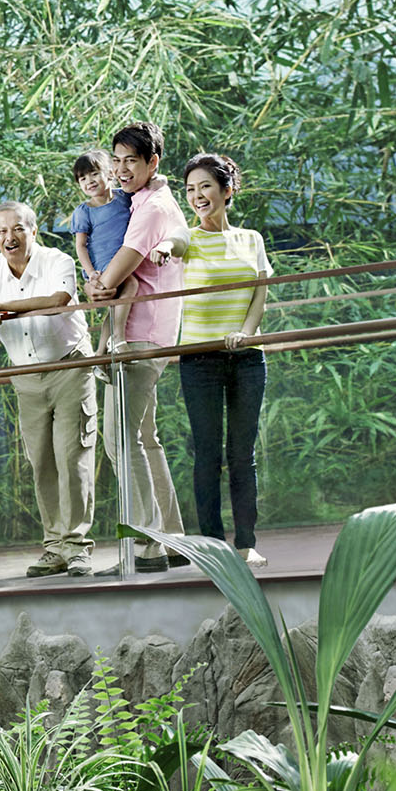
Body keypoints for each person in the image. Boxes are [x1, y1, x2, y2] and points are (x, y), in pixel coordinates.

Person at [0, 200, 99, 578]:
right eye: (1, 231)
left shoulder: (57, 260)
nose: (9, 237)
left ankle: (77, 548)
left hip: (69, 367)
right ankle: (54, 548)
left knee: (71, 456)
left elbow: (57, 301)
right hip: (25, 378)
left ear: (33, 230)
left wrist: (0, 308)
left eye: (17, 229)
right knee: (41, 461)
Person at [86, 121, 190, 573]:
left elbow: (113, 277)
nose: (123, 169)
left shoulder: (149, 210)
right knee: (144, 440)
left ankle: (146, 547)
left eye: (133, 160)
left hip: (138, 336)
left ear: (153, 162)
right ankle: (172, 542)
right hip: (157, 334)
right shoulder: (156, 199)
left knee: (120, 440)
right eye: (118, 160)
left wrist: (97, 284)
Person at [177, 152, 273, 568]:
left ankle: (246, 542)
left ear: (227, 190)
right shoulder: (184, 240)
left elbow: (260, 293)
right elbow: (165, 249)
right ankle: (213, 547)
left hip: (247, 356)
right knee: (207, 453)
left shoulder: (251, 239)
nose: (198, 196)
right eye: (191, 190)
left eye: (205, 187)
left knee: (242, 454)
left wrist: (246, 334)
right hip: (198, 358)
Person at [67, 150, 136, 354]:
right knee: (131, 284)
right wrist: (90, 273)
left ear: (111, 174)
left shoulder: (125, 198)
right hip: (102, 264)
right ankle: (118, 338)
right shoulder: (84, 211)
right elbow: (80, 245)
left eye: (94, 173)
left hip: (123, 258)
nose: (89, 181)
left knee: (115, 307)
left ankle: (100, 353)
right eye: (82, 178)